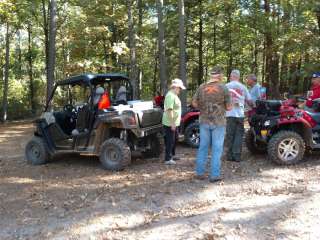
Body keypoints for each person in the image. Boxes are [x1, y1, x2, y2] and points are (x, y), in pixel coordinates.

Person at [192, 66, 231, 182]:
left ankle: (199, 173)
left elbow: (194, 103)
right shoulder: (224, 88)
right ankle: (214, 175)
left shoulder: (201, 87)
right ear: (219, 75)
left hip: (204, 121)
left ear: (211, 75)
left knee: (203, 147)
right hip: (219, 122)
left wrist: (202, 108)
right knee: (217, 149)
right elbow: (229, 107)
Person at [225, 69, 253, 162]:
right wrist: (253, 106)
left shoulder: (226, 86)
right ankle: (236, 156)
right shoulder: (243, 87)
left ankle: (229, 156)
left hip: (229, 114)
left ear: (231, 76)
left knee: (230, 135)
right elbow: (249, 100)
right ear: (239, 77)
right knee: (239, 135)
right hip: (240, 114)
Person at [162, 78, 186, 165]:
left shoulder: (174, 95)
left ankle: (172, 155)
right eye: (179, 88)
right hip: (169, 123)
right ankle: (167, 159)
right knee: (170, 140)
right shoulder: (170, 96)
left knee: (175, 139)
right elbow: (169, 110)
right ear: (175, 87)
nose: (180, 90)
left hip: (174, 122)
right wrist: (172, 123)